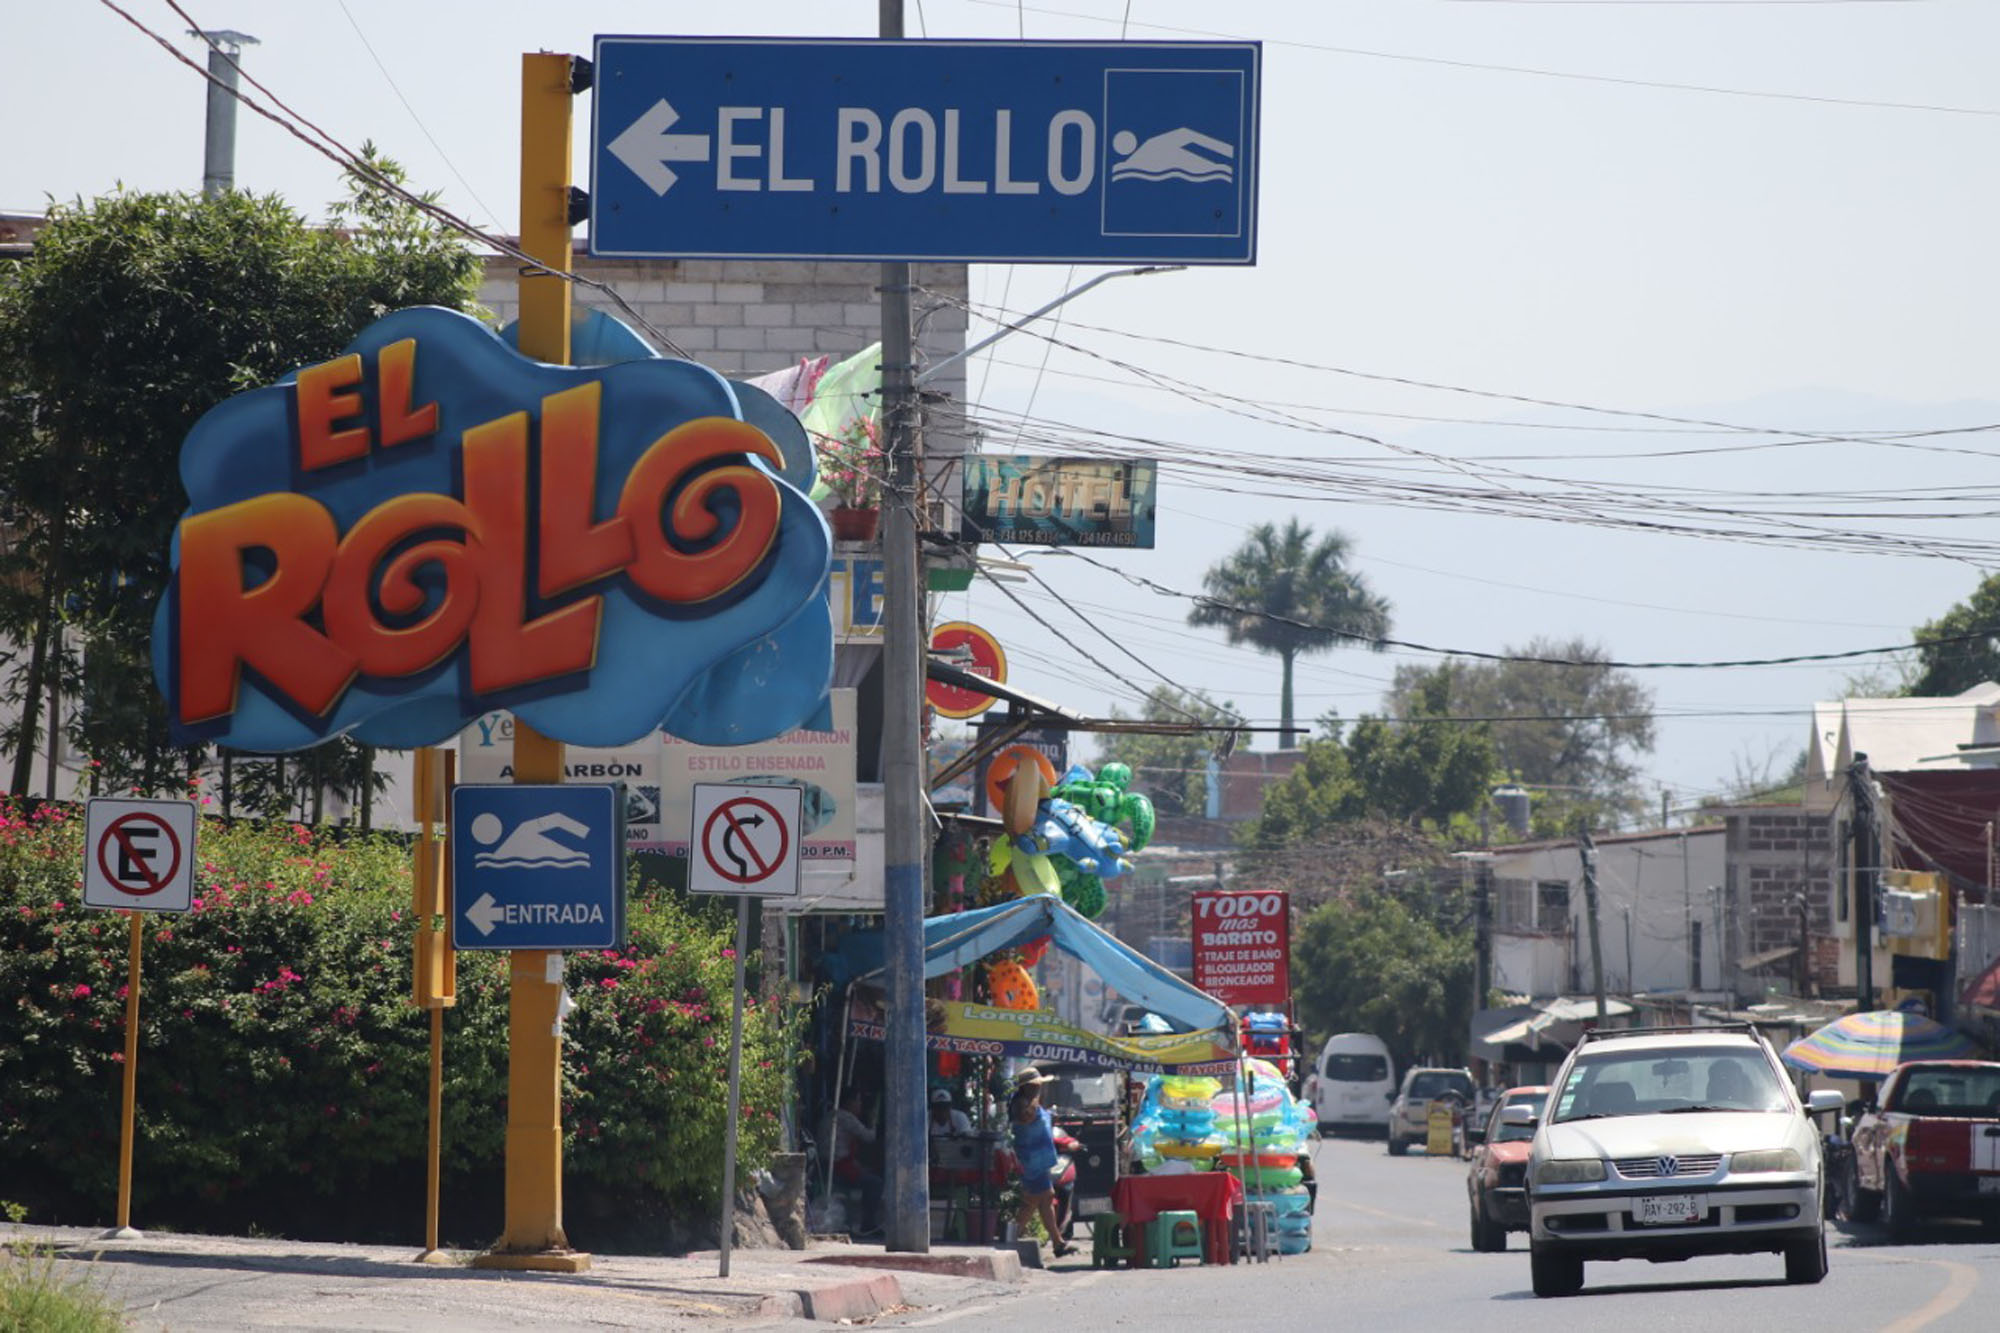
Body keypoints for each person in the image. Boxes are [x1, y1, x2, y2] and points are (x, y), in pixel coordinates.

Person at [1007, 1068, 1076, 1259]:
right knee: (1034, 1200)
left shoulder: (1033, 1104)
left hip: (1039, 1161)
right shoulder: (1023, 1105)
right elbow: (1027, 1119)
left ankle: (1057, 1243)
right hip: (1031, 1161)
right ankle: (1012, 1237)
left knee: (1044, 1201)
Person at [830, 1088, 883, 1238]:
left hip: (834, 1164)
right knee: (875, 1183)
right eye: (858, 1101)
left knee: (868, 1172)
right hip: (838, 1167)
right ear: (850, 1102)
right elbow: (869, 1137)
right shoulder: (846, 1117)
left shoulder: (831, 1115)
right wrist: (873, 1122)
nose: (860, 1105)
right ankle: (868, 1223)